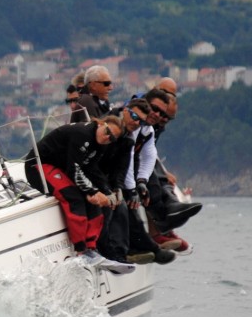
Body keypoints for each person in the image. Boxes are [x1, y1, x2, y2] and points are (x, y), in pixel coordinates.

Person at [24, 115, 134, 274]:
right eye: (107, 132)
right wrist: (92, 191)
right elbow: (74, 170)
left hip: (61, 168)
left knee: (93, 201)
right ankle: (81, 250)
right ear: (101, 124)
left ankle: (91, 248)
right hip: (39, 165)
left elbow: (92, 169)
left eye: (112, 138)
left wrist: (108, 192)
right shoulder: (82, 134)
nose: (107, 138)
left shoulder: (101, 144)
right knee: (74, 197)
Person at [97, 100, 175, 265]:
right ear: (125, 110)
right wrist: (123, 190)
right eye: (133, 116)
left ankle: (139, 247)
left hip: (109, 179)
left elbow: (128, 165)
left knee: (129, 201)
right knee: (121, 205)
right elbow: (94, 162)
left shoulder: (132, 136)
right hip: (95, 176)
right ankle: (121, 252)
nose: (136, 122)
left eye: (140, 120)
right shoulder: (109, 127)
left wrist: (138, 184)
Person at [145, 78, 201, 252]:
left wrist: (163, 171)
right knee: (151, 186)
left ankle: (166, 229)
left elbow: (149, 150)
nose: (163, 119)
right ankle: (157, 231)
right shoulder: (143, 110)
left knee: (161, 180)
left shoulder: (157, 121)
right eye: (162, 116)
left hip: (142, 158)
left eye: (168, 118)